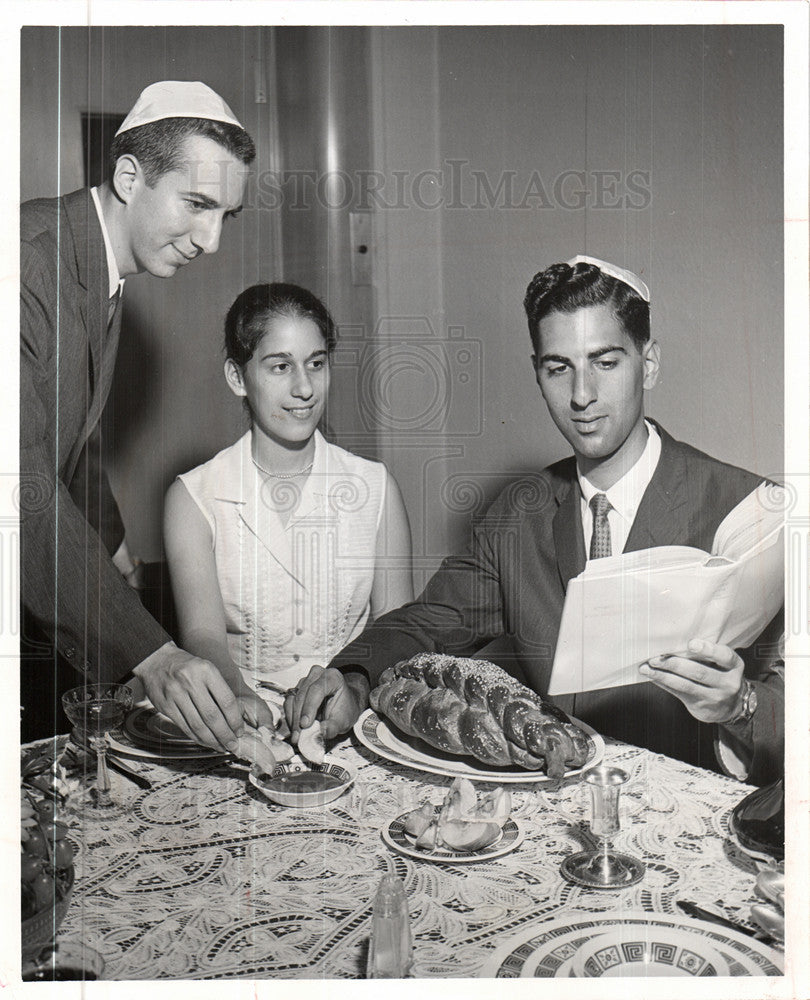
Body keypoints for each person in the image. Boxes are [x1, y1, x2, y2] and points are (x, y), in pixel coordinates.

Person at [285, 256, 784, 784]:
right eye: (558, 367)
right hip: (556, 812)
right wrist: (352, 677)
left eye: (605, 362)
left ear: (650, 362)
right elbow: (428, 623)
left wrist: (741, 704)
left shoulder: (749, 509)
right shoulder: (520, 511)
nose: (581, 395)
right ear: (537, 372)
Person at [20, 80, 276, 749]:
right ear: (130, 176)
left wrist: (114, 546)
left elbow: (61, 437)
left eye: (226, 215)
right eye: (196, 204)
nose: (211, 240)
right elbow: (17, 486)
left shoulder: (94, 268)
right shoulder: (24, 265)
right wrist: (152, 653)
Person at [163, 283, 414, 712]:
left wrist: (352, 690)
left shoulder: (375, 487)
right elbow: (203, 637)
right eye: (280, 367)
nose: (305, 388)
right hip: (240, 713)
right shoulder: (193, 498)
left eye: (315, 364)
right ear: (237, 378)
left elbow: (397, 631)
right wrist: (239, 696)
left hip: (352, 711)